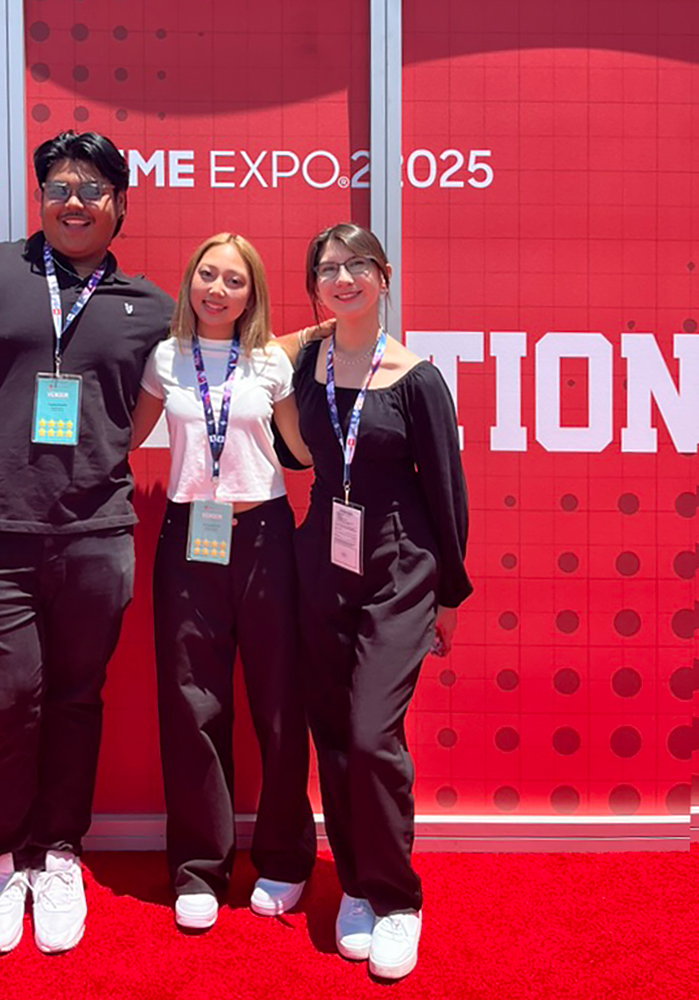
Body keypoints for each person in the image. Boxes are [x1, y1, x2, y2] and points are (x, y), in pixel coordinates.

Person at [0, 130, 174, 955]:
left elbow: (153, 402)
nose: (73, 201)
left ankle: (57, 852)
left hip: (96, 536)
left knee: (76, 698)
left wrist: (100, 454)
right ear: (40, 198)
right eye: (58, 187)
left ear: (120, 203)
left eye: (91, 188)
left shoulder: (151, 305)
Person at [290, 223, 472, 979]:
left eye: (357, 265)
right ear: (315, 285)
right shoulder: (304, 363)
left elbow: (447, 489)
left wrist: (449, 593)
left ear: (384, 275)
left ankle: (399, 900)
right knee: (332, 732)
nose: (344, 278)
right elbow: (290, 443)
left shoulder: (417, 378)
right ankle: (358, 884)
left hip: (400, 561)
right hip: (322, 554)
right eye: (328, 268)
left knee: (371, 735)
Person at [130, 233, 317, 931]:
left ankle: (285, 859)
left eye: (234, 280)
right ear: (190, 282)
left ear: (251, 294)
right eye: (207, 275)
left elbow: (301, 451)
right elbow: (123, 437)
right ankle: (199, 868)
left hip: (265, 536)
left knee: (279, 703)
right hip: (189, 538)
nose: (218, 289)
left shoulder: (270, 361)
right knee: (192, 706)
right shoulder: (166, 359)